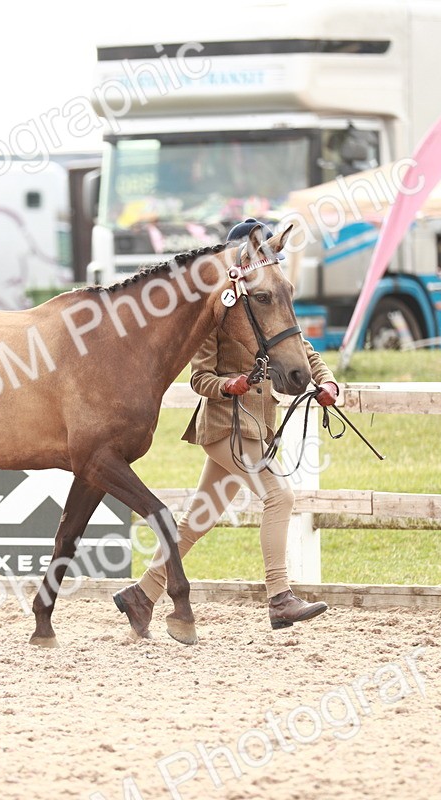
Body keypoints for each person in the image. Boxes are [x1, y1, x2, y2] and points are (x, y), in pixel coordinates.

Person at [112, 218, 340, 636]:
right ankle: (280, 598)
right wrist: (230, 384)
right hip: (225, 428)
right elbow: (200, 379)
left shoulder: (267, 306)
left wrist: (325, 379)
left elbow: (299, 344)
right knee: (279, 497)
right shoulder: (214, 316)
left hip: (256, 427)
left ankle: (141, 595)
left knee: (196, 522)